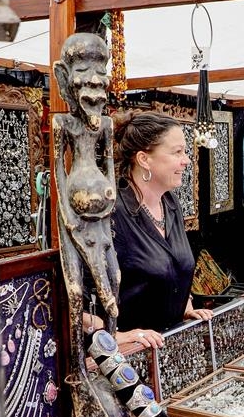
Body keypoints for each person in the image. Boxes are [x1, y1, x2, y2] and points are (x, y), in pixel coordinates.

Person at [82, 111, 211, 349]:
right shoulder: (109, 213)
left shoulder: (170, 204)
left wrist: (185, 306)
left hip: (170, 349)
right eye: (177, 152)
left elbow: (173, 268)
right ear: (144, 159)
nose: (186, 160)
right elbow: (75, 302)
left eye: (184, 151)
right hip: (128, 357)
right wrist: (117, 336)